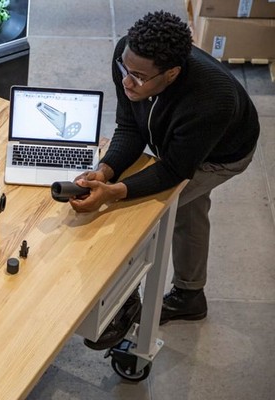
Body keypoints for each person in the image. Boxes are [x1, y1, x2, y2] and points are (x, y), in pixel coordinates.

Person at [72, 11, 259, 350]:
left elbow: (174, 169)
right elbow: (130, 127)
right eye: (124, 69)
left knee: (140, 217)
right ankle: (191, 296)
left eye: (139, 77)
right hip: (181, 145)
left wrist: (113, 193)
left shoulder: (212, 99)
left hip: (221, 156)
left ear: (171, 73)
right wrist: (105, 170)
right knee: (187, 210)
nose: (127, 82)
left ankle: (123, 301)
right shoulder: (128, 56)